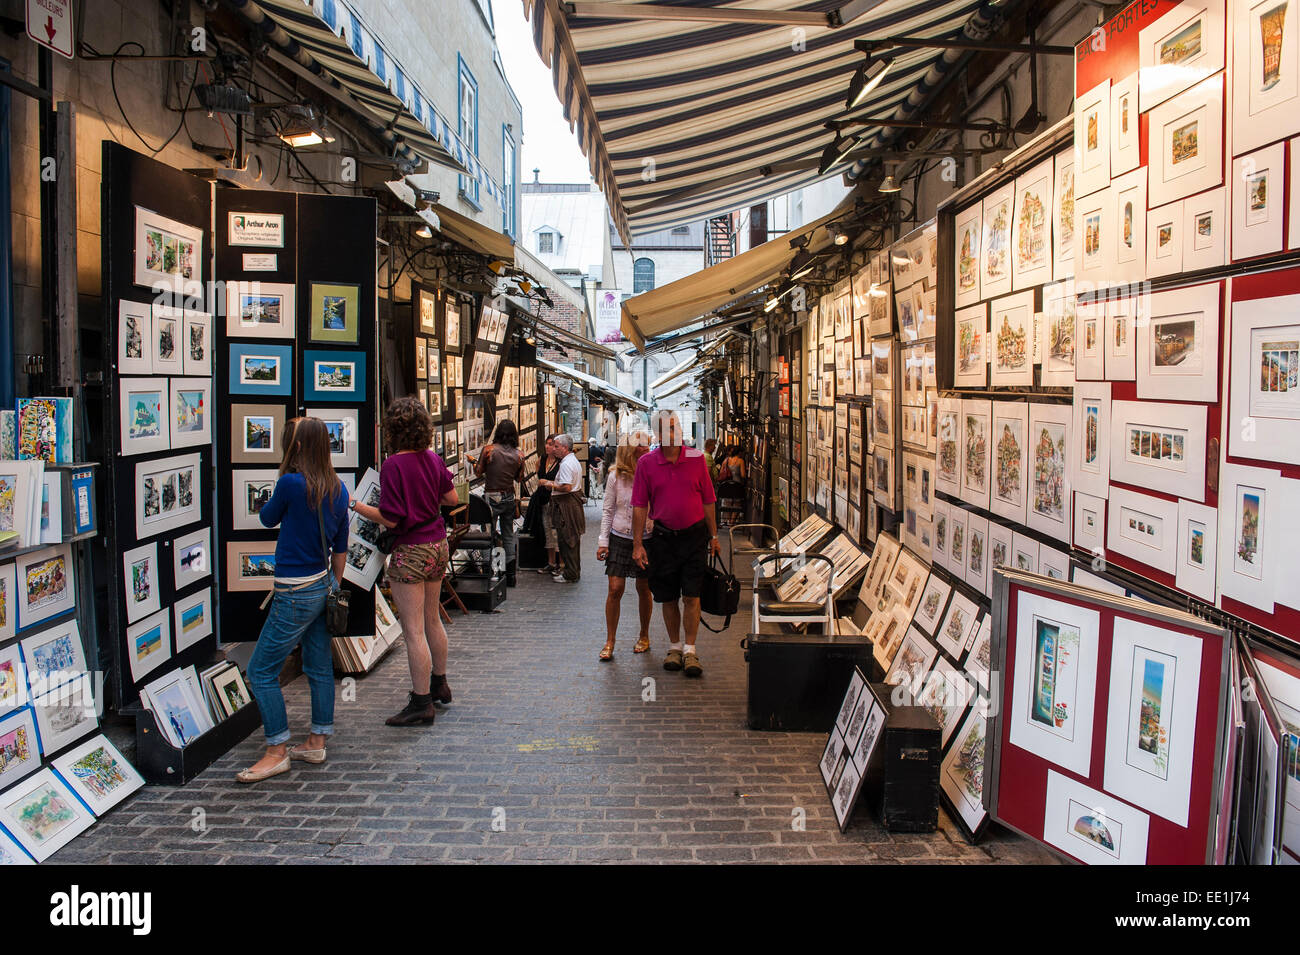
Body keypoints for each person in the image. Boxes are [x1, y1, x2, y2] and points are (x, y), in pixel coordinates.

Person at [238, 417, 350, 783]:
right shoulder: (339, 488)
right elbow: (341, 549)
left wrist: (283, 473)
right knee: (318, 666)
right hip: (321, 584)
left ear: (296, 447)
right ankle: (317, 739)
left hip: (293, 590)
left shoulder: (289, 483)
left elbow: (268, 518)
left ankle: (276, 750)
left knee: (260, 670)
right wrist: (332, 586)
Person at [351, 396, 459, 726]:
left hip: (410, 549)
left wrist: (356, 506)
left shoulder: (394, 465)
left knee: (412, 630)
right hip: (438, 544)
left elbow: (391, 519)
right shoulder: (431, 458)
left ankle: (421, 701)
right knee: (432, 620)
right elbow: (452, 499)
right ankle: (440, 682)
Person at [631, 411, 720, 678]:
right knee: (667, 596)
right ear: (658, 434)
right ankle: (674, 646)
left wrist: (714, 536)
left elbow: (708, 500)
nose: (676, 432)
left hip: (694, 536)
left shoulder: (696, 460)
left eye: (677, 426)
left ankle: (690, 650)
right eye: (670, 428)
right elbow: (639, 506)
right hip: (663, 538)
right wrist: (638, 544)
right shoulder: (646, 464)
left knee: (692, 595)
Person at [596, 430, 654, 661]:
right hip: (619, 537)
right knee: (615, 589)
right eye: (642, 445)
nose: (647, 449)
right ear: (629, 449)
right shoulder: (615, 477)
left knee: (644, 589)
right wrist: (602, 541)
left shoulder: (651, 474)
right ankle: (610, 640)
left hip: (647, 538)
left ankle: (644, 634)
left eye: (648, 445)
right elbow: (608, 509)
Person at [474, 419, 525, 587]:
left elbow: (478, 472)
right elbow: (519, 478)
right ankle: (511, 576)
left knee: (488, 533)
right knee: (508, 534)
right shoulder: (519, 455)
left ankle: (493, 571)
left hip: (492, 495)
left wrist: (474, 463)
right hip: (509, 495)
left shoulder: (489, 451)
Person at [541, 433, 585, 583]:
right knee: (570, 539)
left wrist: (548, 483)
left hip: (566, 506)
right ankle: (572, 571)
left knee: (568, 539)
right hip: (569, 504)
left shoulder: (566, 463)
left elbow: (566, 487)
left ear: (565, 448)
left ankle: (571, 573)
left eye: (556, 446)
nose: (554, 449)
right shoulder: (570, 461)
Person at [533, 435, 563, 575]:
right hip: (543, 500)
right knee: (547, 532)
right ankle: (551, 562)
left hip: (555, 501)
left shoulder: (561, 463)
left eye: (551, 444)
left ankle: (561, 563)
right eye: (547, 444)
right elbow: (537, 472)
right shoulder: (542, 459)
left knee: (556, 531)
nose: (548, 447)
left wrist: (547, 483)